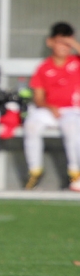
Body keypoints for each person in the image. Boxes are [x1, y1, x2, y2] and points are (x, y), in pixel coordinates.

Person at [23, 22, 80, 190]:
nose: (64, 47)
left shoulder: (77, 62)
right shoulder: (43, 67)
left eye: (67, 43)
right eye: (60, 42)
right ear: (50, 42)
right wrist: (49, 107)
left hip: (73, 111)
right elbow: (38, 98)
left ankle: (75, 172)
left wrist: (74, 44)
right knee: (31, 124)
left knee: (72, 128)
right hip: (50, 110)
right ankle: (35, 170)